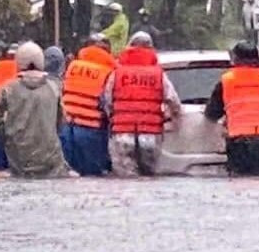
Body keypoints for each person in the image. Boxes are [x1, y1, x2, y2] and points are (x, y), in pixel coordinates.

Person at [0, 42, 74, 178]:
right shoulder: (54, 89)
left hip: (18, 160)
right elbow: (62, 120)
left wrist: (6, 137)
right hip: (51, 161)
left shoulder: (9, 89)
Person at [103, 32, 182, 177]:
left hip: (122, 134)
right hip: (150, 135)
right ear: (151, 49)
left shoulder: (117, 73)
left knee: (126, 180)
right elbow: (174, 101)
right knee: (149, 180)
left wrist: (114, 119)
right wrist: (175, 121)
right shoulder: (159, 74)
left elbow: (107, 101)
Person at [204, 41, 259, 176]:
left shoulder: (227, 81)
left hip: (240, 143)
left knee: (241, 185)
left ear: (235, 59)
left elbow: (212, 113)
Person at [60, 34, 115, 176]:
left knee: (70, 177)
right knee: (92, 179)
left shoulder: (73, 66)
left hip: (67, 129)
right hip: (91, 131)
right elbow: (108, 103)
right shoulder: (108, 72)